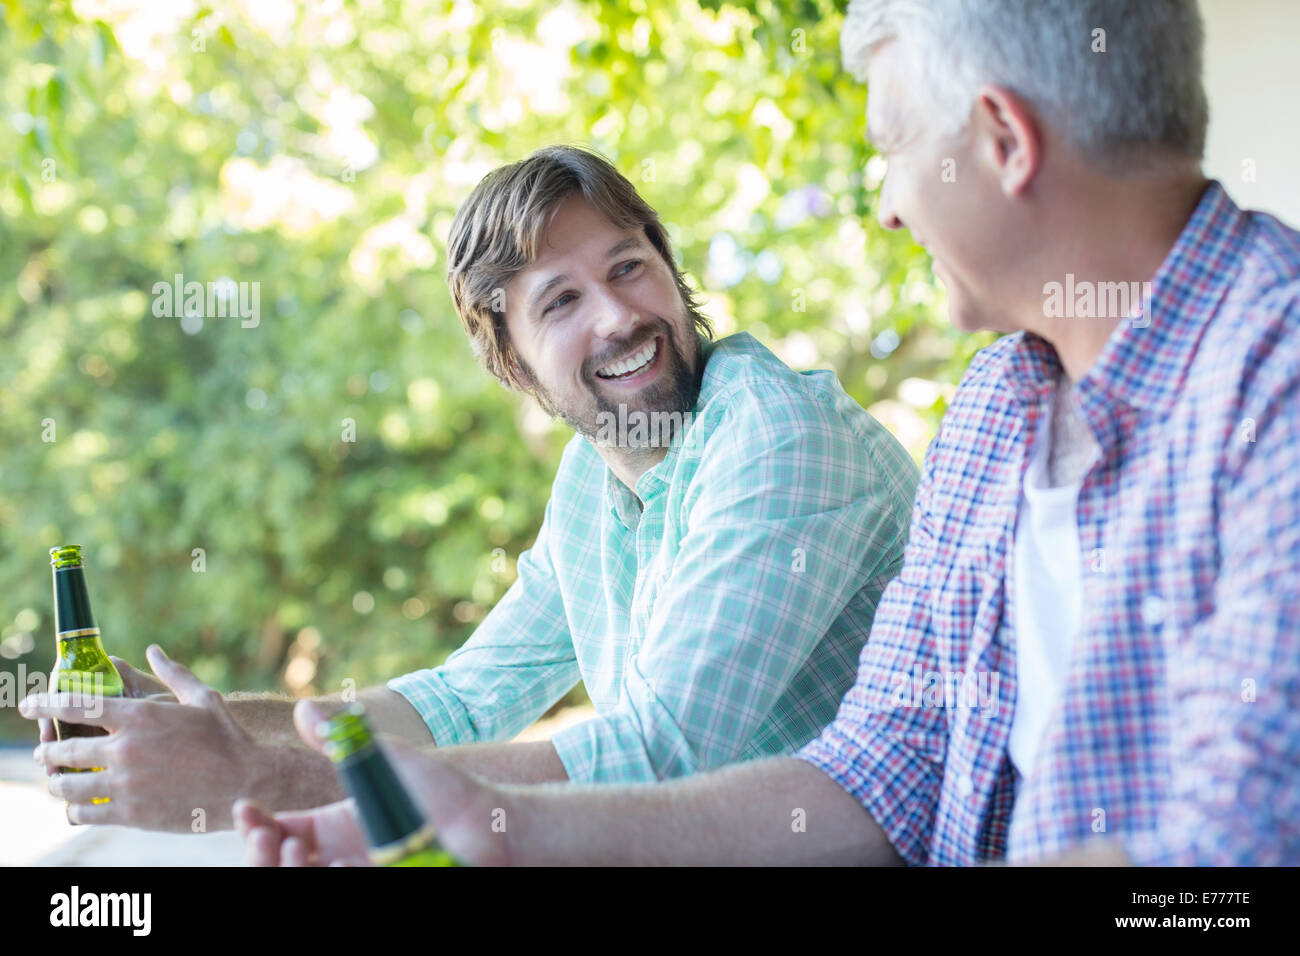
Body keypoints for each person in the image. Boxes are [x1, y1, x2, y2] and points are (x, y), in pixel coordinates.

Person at [235, 0, 1299, 866]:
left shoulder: (1274, 383)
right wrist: (509, 824)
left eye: (892, 147)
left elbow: (1226, 861)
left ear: (1005, 141)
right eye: (558, 301)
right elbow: (876, 767)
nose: (886, 204)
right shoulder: (994, 411)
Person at [22, 146, 918, 832]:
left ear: (670, 270)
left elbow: (659, 755)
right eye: (559, 303)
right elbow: (459, 701)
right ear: (513, 361)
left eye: (626, 267)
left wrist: (254, 783)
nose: (617, 317)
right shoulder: (594, 480)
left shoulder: (775, 435)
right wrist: (207, 727)